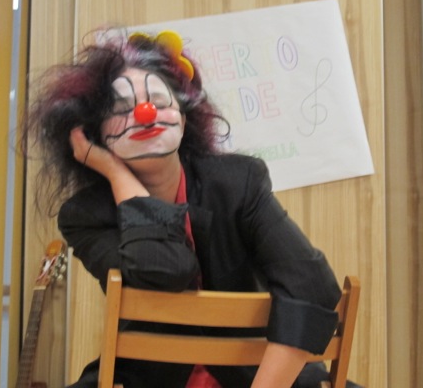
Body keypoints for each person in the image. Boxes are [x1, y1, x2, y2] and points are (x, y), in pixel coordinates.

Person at [22, 29, 343, 388]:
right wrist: (116, 173)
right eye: (121, 110)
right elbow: (167, 271)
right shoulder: (86, 216)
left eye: (159, 101)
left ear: (184, 118)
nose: (145, 113)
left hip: (256, 376)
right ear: (95, 138)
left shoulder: (238, 182)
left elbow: (312, 285)